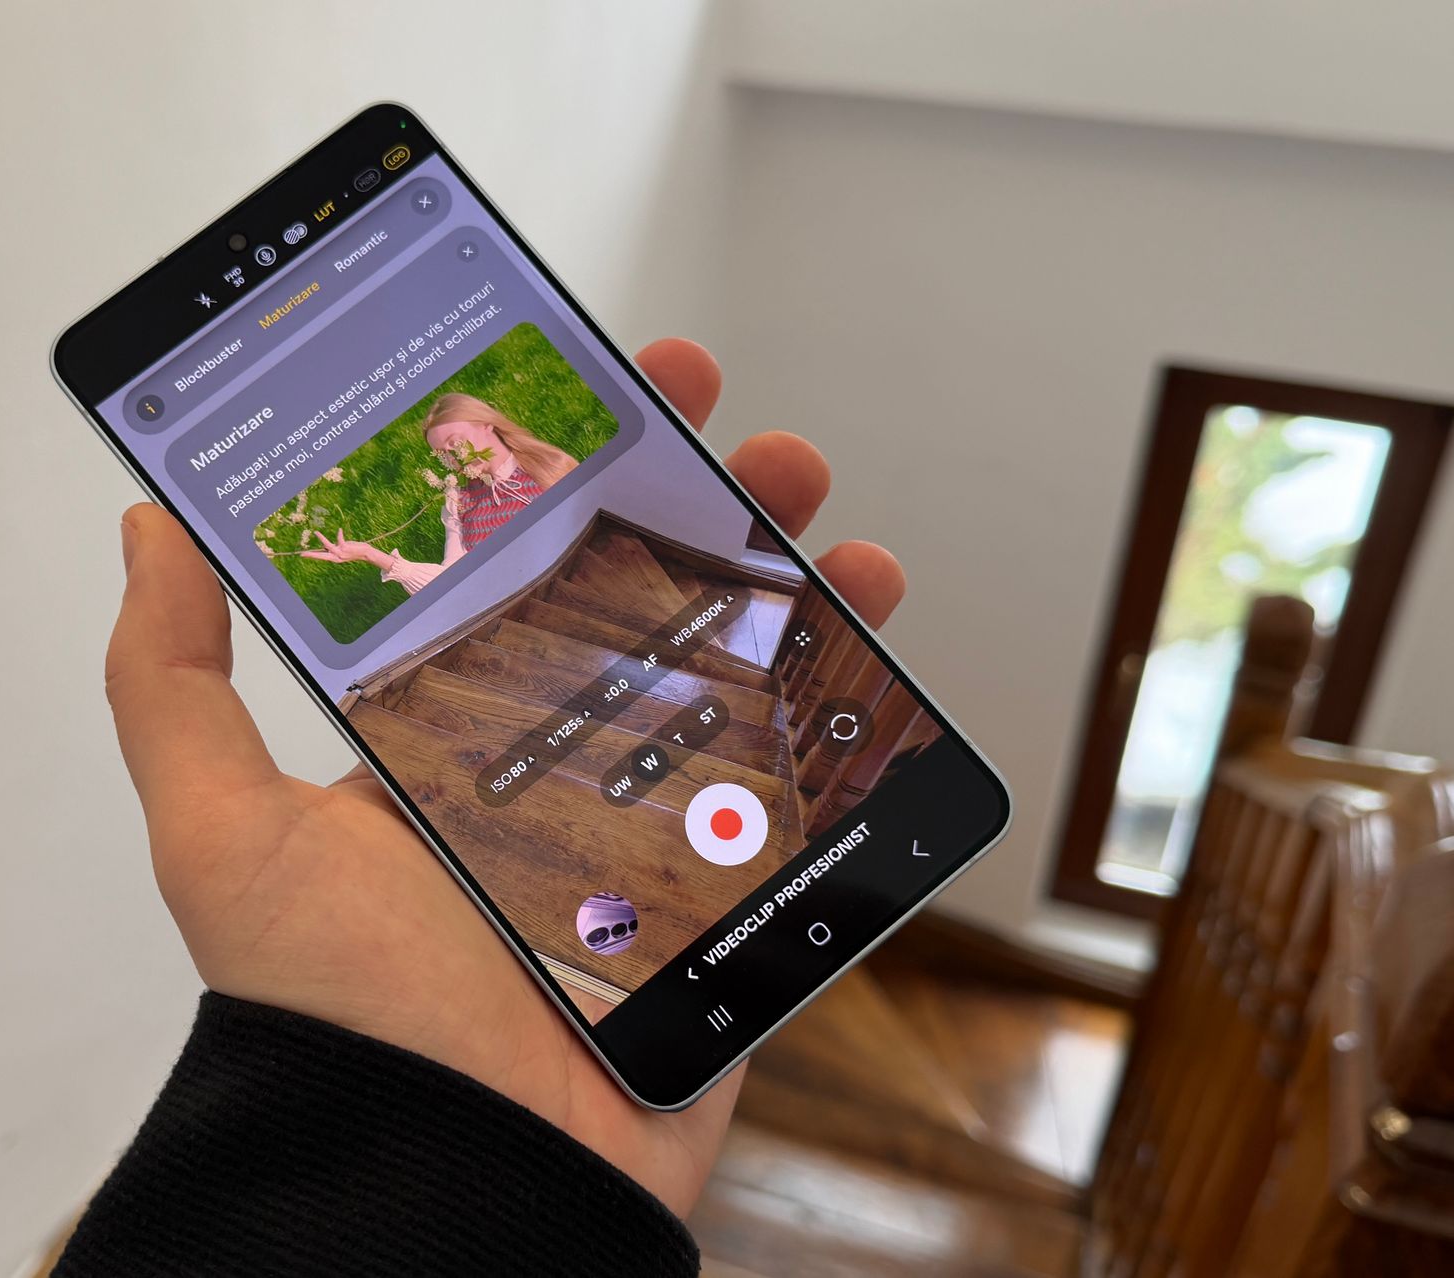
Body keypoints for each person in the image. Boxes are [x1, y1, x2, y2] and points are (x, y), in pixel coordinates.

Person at [53, 340, 907, 1277]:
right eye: (448, 454)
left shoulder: (553, 475)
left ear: (502, 433)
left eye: (470, 443)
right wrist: (377, 555)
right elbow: (447, 577)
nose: (462, 461)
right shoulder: (463, 507)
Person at [297, 392, 579, 593]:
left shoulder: (548, 466)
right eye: (443, 453)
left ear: (486, 425)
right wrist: (372, 555)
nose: (454, 456)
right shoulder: (460, 502)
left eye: (455, 442)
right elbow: (452, 583)